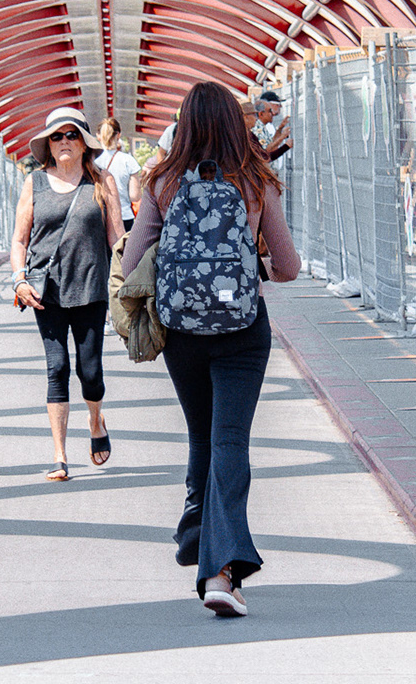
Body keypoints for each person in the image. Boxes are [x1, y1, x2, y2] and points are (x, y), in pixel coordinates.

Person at [123, 81, 301, 618]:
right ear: (234, 123)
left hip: (182, 331)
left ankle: (196, 533)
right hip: (244, 329)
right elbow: (288, 267)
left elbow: (133, 263)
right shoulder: (254, 180)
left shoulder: (163, 180)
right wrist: (251, 270)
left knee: (203, 436)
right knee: (230, 441)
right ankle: (222, 569)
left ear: (185, 123)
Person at [11, 106, 124, 480]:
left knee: (89, 371)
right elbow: (19, 239)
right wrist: (18, 278)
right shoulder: (34, 183)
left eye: (71, 134)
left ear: (84, 142)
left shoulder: (102, 182)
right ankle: (59, 455)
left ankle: (95, 420)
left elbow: (117, 238)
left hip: (91, 289)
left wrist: (129, 282)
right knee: (56, 368)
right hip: (47, 290)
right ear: (47, 143)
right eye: (56, 136)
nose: (63, 142)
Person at [94, 116, 143, 232]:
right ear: (118, 135)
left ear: (98, 136)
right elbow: (135, 196)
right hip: (124, 217)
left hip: (100, 218)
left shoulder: (93, 161)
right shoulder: (128, 161)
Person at [254, 90, 291, 166]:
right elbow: (267, 151)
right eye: (269, 111)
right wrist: (283, 140)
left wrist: (280, 129)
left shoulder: (263, 126)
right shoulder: (258, 128)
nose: (272, 114)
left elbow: (271, 143)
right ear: (261, 113)